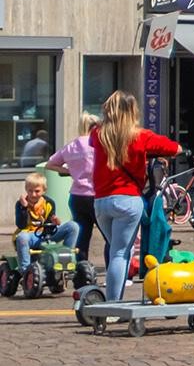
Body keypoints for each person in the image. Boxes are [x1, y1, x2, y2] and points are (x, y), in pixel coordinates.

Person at [88, 91, 181, 302]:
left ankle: (112, 301)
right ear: (132, 112)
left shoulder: (98, 134)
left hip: (101, 201)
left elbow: (101, 145)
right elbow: (175, 148)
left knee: (116, 251)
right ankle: (114, 303)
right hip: (128, 200)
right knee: (121, 253)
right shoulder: (141, 136)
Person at [40, 113, 100, 262]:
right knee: (109, 236)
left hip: (77, 196)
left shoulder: (71, 146)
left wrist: (69, 171)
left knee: (82, 236)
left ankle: (81, 270)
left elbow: (51, 164)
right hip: (96, 194)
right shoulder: (97, 145)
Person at [13, 174, 78, 272]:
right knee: (22, 237)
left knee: (73, 226)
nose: (33, 194)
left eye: (37, 191)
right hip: (30, 236)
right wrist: (24, 208)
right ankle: (26, 270)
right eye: (30, 191)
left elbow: (49, 226)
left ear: (44, 190)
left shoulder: (49, 203)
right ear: (26, 189)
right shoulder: (20, 204)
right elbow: (21, 225)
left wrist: (55, 223)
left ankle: (66, 259)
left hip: (46, 234)